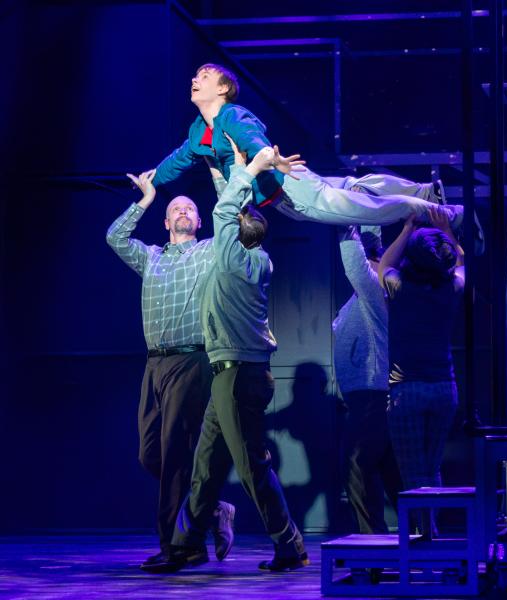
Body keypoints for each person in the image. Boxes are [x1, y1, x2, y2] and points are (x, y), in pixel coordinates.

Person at [142, 137, 308, 574]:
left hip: (237, 375)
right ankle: (187, 542)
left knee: (252, 466)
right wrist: (224, 172)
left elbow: (224, 213)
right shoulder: (256, 259)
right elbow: (230, 210)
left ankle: (288, 543)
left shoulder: (230, 257)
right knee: (206, 463)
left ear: (233, 236)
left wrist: (249, 170)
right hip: (231, 373)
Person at [149, 63, 467, 229]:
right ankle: (426, 192)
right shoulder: (198, 131)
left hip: (290, 190)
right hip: (289, 185)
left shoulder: (231, 115)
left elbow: (255, 143)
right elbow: (179, 159)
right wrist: (152, 178)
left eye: (204, 76)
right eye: (195, 75)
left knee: (365, 210)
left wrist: (273, 161)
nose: (195, 79)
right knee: (354, 187)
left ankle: (446, 214)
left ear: (223, 88)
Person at [106, 173, 235, 569]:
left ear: (198, 222)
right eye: (175, 208)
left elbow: (230, 218)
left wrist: (221, 182)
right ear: (165, 222)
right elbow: (115, 237)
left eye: (189, 209)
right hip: (154, 363)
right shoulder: (151, 257)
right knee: (151, 455)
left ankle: (178, 547)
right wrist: (146, 198)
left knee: (176, 456)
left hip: (192, 360)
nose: (182, 211)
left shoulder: (209, 252)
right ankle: (212, 509)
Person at [378, 210, 465, 533]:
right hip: (444, 388)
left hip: (407, 391)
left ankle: (425, 538)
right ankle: (431, 534)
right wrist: (445, 230)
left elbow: (385, 265)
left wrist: (406, 230)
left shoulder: (400, 288)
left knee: (413, 471)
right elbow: (460, 262)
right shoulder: (451, 290)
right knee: (431, 466)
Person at [334, 225, 402, 534]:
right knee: (388, 472)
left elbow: (355, 264)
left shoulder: (375, 291)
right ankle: (407, 543)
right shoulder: (365, 298)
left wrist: (347, 224)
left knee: (357, 468)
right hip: (365, 397)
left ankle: (372, 545)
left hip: (372, 395)